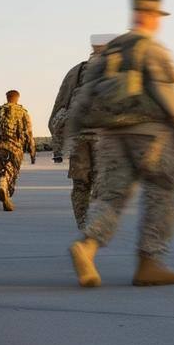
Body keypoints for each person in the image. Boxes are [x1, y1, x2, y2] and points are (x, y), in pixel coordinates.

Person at [65, 0, 174, 288]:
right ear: (150, 17)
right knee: (162, 193)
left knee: (110, 197)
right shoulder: (153, 48)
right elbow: (164, 90)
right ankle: (149, 263)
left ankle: (88, 246)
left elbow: (84, 97)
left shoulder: (109, 51)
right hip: (151, 135)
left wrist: (71, 134)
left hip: (110, 136)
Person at [50, 34, 116, 230]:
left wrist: (58, 143)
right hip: (105, 139)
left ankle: (82, 223)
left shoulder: (76, 72)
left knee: (80, 184)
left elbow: (60, 106)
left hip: (79, 138)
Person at [0, 90, 35, 211]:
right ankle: (6, 190)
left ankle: (4, 188)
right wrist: (32, 151)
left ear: (6, 98)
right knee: (12, 173)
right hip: (15, 148)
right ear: (18, 98)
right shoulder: (22, 112)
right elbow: (28, 133)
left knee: (3, 170)